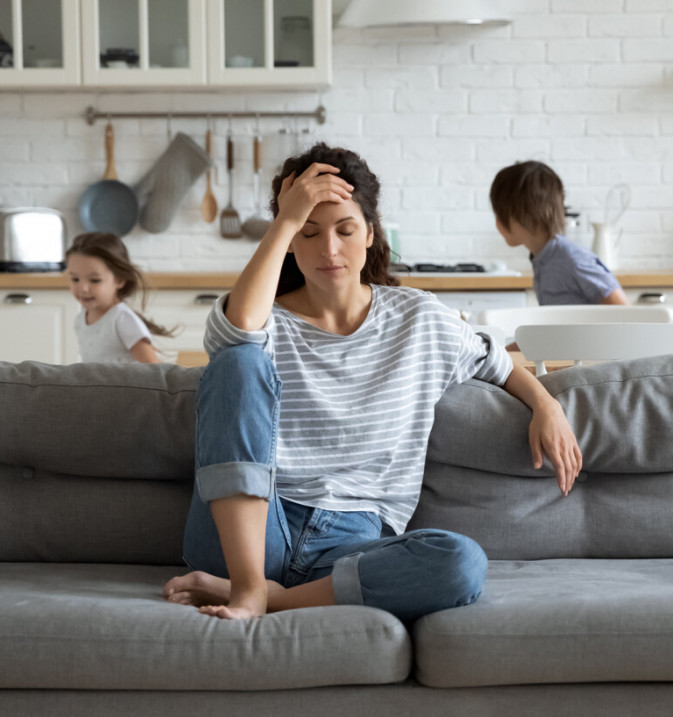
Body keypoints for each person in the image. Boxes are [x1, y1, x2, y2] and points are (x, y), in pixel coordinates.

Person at [163, 144, 582, 622]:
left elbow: (500, 365)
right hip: (250, 527)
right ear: (290, 240)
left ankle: (263, 597)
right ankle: (248, 581)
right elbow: (236, 332)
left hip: (351, 543)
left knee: (461, 562)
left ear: (369, 234)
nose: (329, 250)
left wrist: (547, 405)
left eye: (345, 230)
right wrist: (284, 217)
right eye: (308, 231)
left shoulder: (418, 319)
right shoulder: (263, 320)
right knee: (237, 361)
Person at [490, 161, 629, 306]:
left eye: (499, 214)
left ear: (525, 214)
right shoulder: (542, 258)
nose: (497, 222)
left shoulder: (572, 259)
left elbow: (624, 312)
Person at [64, 232, 173, 364]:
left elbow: (155, 368)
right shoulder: (81, 319)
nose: (83, 288)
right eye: (75, 279)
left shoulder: (122, 319)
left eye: (94, 280)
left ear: (119, 279)